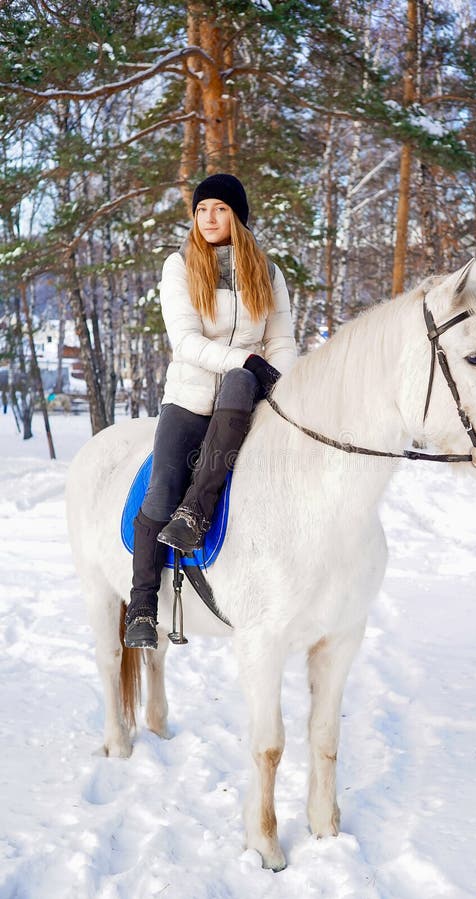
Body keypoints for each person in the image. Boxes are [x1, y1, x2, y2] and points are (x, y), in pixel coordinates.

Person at [125, 173, 297, 649]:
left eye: (219, 209)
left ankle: (200, 518)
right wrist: (246, 360)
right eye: (202, 210)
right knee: (160, 490)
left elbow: (280, 340)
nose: (209, 219)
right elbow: (186, 342)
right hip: (191, 396)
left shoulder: (268, 271)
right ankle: (141, 604)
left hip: (249, 399)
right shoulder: (179, 266)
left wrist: (273, 380)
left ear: (237, 217)